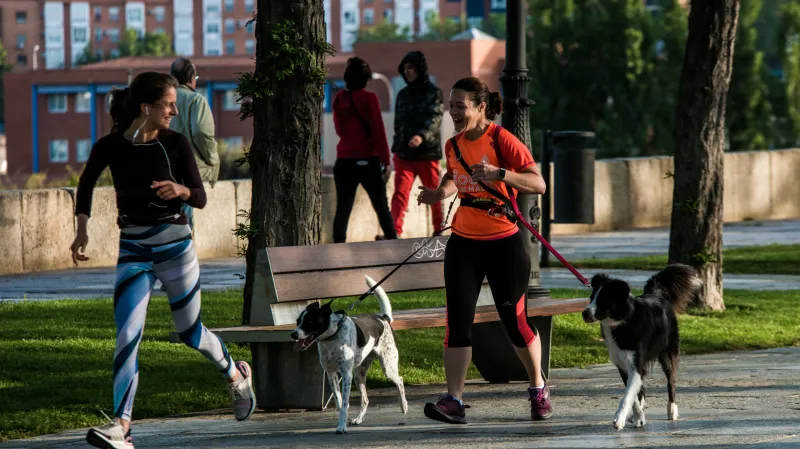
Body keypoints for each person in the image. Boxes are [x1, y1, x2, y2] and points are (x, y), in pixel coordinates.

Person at [70, 72, 255, 449]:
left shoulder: (176, 144)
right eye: (168, 104)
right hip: (133, 251)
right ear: (146, 107)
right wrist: (82, 230)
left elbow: (200, 196)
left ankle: (235, 375)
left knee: (191, 333)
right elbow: (86, 184)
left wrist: (181, 189)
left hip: (175, 250)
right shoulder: (110, 146)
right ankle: (122, 427)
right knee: (127, 335)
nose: (174, 110)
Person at [417, 77, 550, 425]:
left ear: (480, 107)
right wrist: (439, 193)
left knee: (515, 321)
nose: (453, 111)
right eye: (451, 105)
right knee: (457, 322)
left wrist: (500, 173)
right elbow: (453, 176)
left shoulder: (502, 139)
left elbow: (538, 183)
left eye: (460, 106)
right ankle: (454, 401)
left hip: (504, 243)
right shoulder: (452, 144)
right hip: (463, 243)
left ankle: (538, 387)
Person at [331, 57, 397, 243]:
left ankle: (337, 248)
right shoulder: (370, 98)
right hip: (368, 160)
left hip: (344, 161)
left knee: (343, 209)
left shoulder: (339, 99)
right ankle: (394, 244)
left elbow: (339, 130)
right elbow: (378, 131)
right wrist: (386, 161)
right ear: (365, 80)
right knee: (381, 207)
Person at [384, 50, 444, 239]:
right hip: (404, 156)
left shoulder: (434, 93)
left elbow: (435, 118)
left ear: (420, 69)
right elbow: (398, 124)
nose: (407, 72)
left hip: (428, 154)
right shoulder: (402, 94)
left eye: (411, 68)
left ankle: (439, 230)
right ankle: (394, 232)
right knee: (400, 194)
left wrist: (421, 136)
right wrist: (397, 148)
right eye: (405, 68)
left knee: (434, 194)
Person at [169, 57, 220, 231]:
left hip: (163, 172)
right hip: (187, 174)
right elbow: (201, 133)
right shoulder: (195, 100)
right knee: (184, 226)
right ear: (191, 78)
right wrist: (212, 159)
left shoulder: (161, 101)